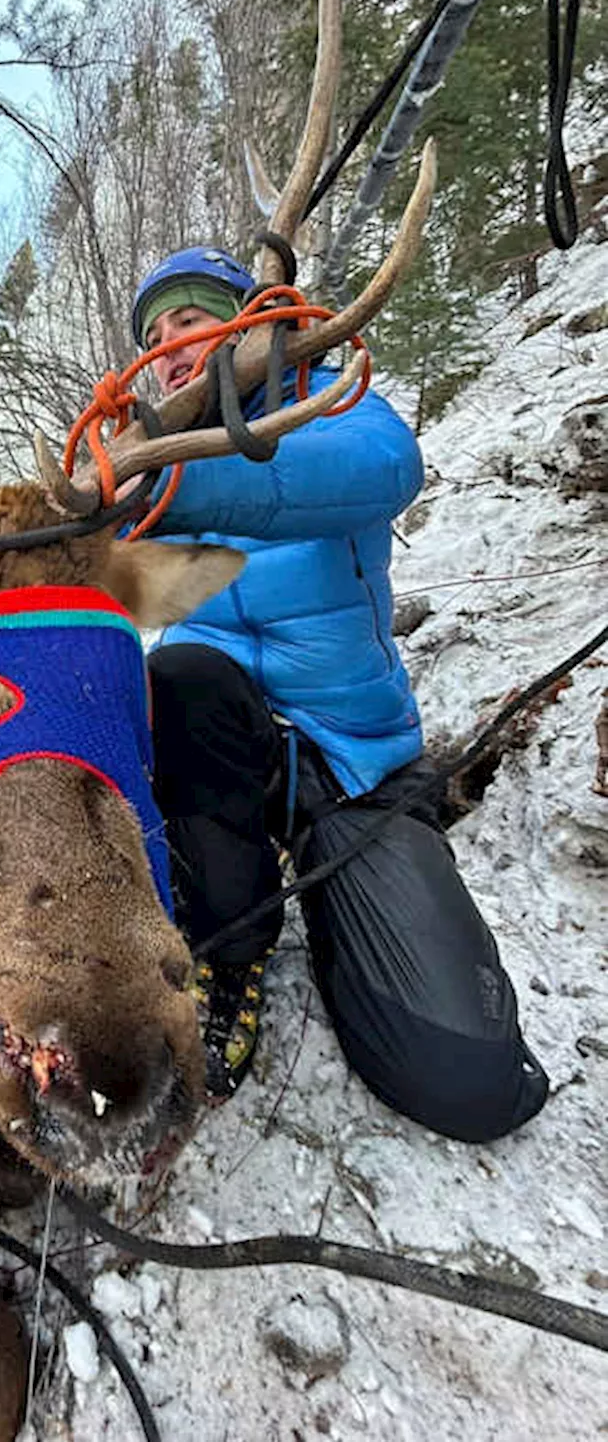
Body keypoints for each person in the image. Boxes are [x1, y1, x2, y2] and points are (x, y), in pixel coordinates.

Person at [134, 246, 548, 1141]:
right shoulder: (142, 465)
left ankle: (332, 889)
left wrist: (179, 477)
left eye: (191, 320)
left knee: (464, 1081)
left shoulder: (334, 408)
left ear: (254, 324)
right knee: (177, 678)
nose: (168, 346)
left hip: (348, 762)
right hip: (219, 750)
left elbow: (382, 470)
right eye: (152, 334)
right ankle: (232, 948)